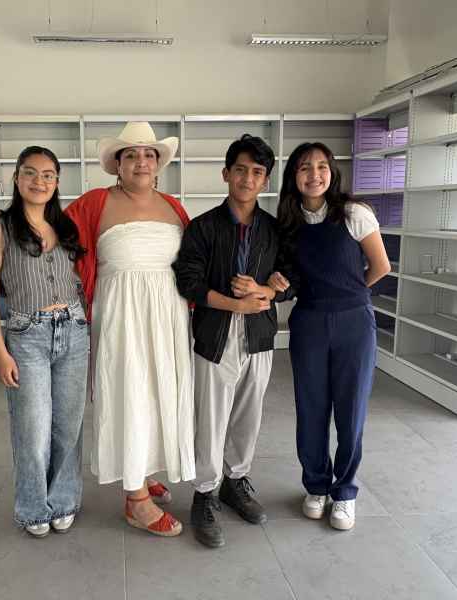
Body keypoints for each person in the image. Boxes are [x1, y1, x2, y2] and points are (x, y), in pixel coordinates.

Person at [65, 122, 195, 537]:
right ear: (117, 164)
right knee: (130, 392)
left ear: (158, 163)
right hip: (121, 315)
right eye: (131, 155)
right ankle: (135, 499)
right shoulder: (95, 202)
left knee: (159, 391)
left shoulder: (173, 206)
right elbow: (52, 233)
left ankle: (143, 466)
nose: (141, 161)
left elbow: (193, 260)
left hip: (168, 314)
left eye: (149, 154)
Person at [172, 134, 295, 548]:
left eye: (257, 172)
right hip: (215, 336)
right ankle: (205, 493)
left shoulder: (275, 230)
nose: (247, 178)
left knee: (249, 413)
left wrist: (269, 289)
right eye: (240, 170)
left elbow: (290, 278)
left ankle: (235, 481)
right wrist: (235, 304)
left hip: (259, 337)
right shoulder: (203, 227)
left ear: (266, 181)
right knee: (211, 417)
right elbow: (188, 281)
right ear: (226, 174)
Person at [270, 141, 390, 531]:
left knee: (350, 411)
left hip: (354, 321)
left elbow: (381, 266)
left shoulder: (354, 213)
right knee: (311, 409)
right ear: (294, 175)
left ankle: (345, 492)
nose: (315, 174)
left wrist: (350, 294)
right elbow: (288, 275)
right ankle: (316, 485)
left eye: (322, 166)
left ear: (332, 172)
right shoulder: (289, 224)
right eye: (305, 167)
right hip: (308, 322)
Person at [0, 146, 88, 538]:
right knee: (33, 428)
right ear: (16, 178)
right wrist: (0, 352)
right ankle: (33, 506)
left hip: (74, 329)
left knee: (69, 426)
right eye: (30, 172)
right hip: (27, 335)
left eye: (48, 175)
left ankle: (64, 500)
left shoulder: (66, 226)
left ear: (57, 182)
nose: (39, 181)